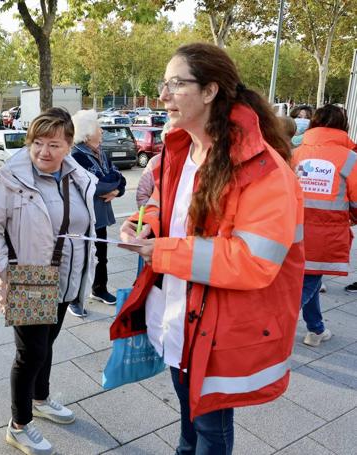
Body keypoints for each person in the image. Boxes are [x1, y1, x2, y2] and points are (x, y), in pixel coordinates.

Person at [111, 43, 305, 454]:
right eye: (164, 84)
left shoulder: (264, 169)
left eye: (175, 84)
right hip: (178, 318)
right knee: (188, 421)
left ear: (210, 91)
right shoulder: (179, 150)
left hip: (218, 329)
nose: (163, 95)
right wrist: (144, 225)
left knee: (210, 431)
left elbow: (254, 261)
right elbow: (164, 207)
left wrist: (161, 252)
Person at [0, 108, 97, 455]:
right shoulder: (9, 178)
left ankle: (40, 399)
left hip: (64, 275)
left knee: (48, 345)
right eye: (38, 143)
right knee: (31, 354)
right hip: (27, 276)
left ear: (69, 144)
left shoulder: (76, 176)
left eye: (54, 144)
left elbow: (82, 224)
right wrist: (5, 269)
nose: (44, 151)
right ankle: (19, 425)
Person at [292, 104, 357, 346]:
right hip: (325, 235)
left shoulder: (294, 154)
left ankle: (316, 329)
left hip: (290, 232)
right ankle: (266, 334)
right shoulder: (350, 159)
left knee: (310, 279)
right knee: (308, 283)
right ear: (343, 126)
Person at [70, 109, 126, 311]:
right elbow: (98, 185)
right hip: (84, 217)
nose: (101, 130)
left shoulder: (100, 151)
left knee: (101, 255)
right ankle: (75, 299)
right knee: (82, 257)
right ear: (86, 133)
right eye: (97, 126)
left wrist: (117, 189)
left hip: (100, 216)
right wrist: (114, 183)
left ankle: (99, 288)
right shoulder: (77, 155)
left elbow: (120, 177)